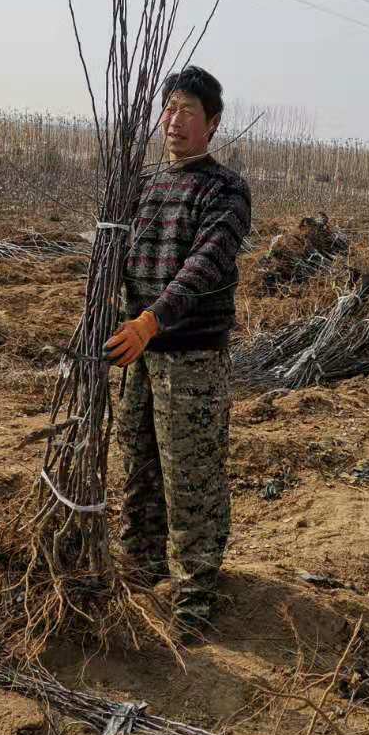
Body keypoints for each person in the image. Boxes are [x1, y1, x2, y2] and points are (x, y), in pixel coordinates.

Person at [105, 65, 251, 636]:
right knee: (138, 462)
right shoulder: (141, 186)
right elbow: (115, 252)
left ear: (211, 124)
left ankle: (196, 591)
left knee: (190, 474)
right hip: (137, 353)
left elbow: (206, 265)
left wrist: (153, 320)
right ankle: (140, 570)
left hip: (189, 357)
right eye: (169, 109)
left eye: (188, 111)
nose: (174, 120)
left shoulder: (225, 190)